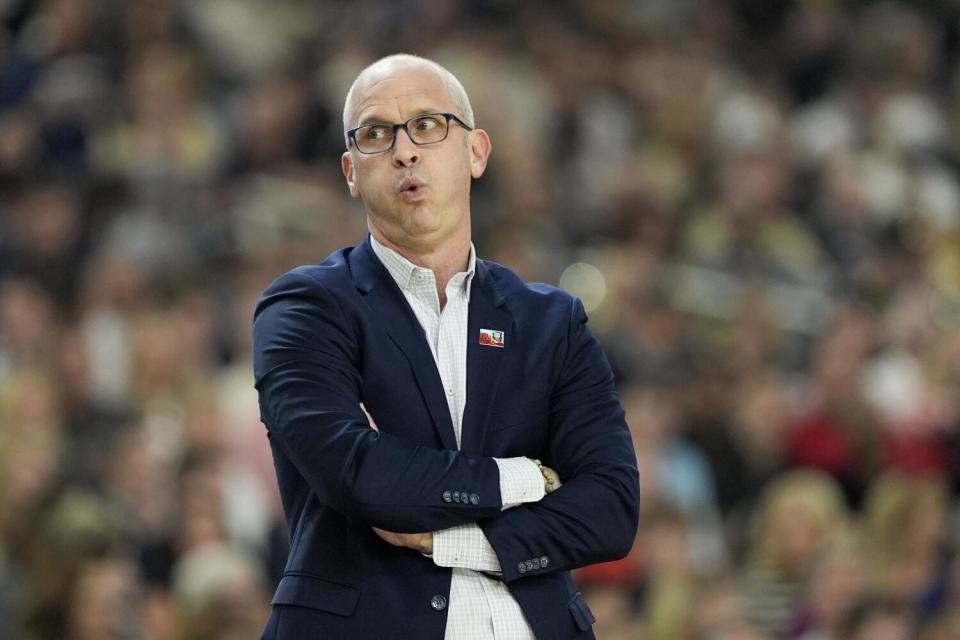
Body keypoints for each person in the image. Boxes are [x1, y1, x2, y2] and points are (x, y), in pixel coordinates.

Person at [252, 53, 639, 639]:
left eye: (429, 126)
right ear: (351, 172)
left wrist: (457, 539)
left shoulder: (550, 321)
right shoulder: (306, 308)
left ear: (476, 152)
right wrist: (526, 480)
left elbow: (610, 508)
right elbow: (358, 473)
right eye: (377, 134)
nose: (405, 151)